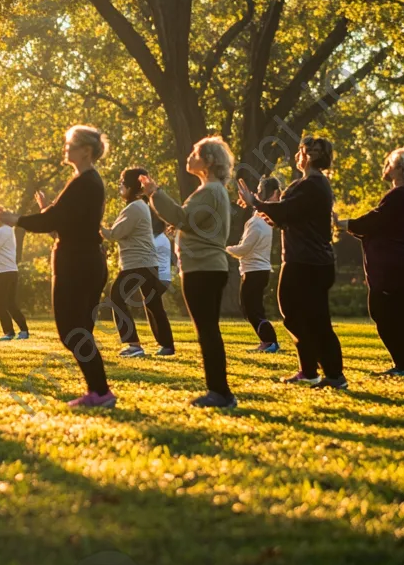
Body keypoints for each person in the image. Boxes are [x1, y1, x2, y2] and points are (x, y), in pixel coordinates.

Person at [0, 125, 116, 409]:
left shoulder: (86, 182)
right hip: (83, 261)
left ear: (85, 151)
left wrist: (16, 219)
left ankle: (100, 391)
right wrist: (27, 216)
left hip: (78, 263)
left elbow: (53, 220)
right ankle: (98, 391)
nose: (66, 149)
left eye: (70, 145)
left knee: (72, 330)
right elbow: (58, 216)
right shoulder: (84, 180)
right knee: (78, 330)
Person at [238, 135, 346, 390]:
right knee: (308, 317)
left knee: (301, 316)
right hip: (313, 260)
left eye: (300, 151)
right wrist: (268, 214)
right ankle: (315, 370)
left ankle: (325, 371)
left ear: (307, 155)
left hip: (305, 261)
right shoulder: (316, 185)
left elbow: (286, 211)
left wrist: (257, 203)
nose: (297, 155)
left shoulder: (311, 184)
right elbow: (291, 218)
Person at [142, 137, 236, 408]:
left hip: (203, 268)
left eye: (195, 152)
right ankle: (219, 391)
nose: (189, 156)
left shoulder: (210, 190)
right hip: (207, 267)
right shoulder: (213, 190)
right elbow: (191, 222)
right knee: (208, 329)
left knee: (207, 330)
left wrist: (154, 192)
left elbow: (182, 217)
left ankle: (219, 392)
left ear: (208, 161)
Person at [337, 147, 404, 382]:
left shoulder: (402, 195)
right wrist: (349, 226)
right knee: (385, 312)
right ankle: (402, 363)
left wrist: (343, 223)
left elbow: (375, 220)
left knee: (397, 315)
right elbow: (379, 227)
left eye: (390, 163)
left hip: (396, 267)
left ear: (401, 169)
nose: (386, 166)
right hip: (396, 267)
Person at [101, 167, 176, 358]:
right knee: (153, 304)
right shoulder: (141, 206)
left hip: (137, 264)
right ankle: (167, 345)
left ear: (129, 187)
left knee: (117, 297)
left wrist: (96, 224)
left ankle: (133, 345)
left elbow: (114, 234)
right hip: (147, 263)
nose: (119, 187)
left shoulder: (133, 207)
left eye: (121, 183)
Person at [227, 176, 281, 353]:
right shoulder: (262, 219)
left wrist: (224, 248)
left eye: (259, 191)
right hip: (256, 271)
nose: (256, 193)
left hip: (254, 271)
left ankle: (270, 341)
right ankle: (267, 341)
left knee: (251, 309)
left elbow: (244, 248)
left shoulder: (258, 223)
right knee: (252, 308)